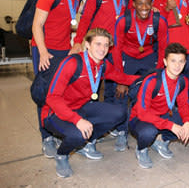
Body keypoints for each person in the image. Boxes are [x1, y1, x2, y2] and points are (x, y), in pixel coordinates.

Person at [41, 28, 139, 178]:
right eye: (98, 44)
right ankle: (62, 155)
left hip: (81, 107)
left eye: (106, 45)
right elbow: (52, 98)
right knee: (78, 134)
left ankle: (86, 144)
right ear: (87, 44)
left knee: (120, 113)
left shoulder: (102, 65)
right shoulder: (72, 62)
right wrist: (77, 120)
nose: (102, 49)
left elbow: (122, 77)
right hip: (54, 113)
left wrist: (147, 79)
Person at [32, 0, 85, 158]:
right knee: (44, 94)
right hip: (45, 49)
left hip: (64, 50)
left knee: (60, 93)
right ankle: (46, 137)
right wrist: (43, 52)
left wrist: (76, 43)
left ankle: (56, 128)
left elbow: (71, 21)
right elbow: (37, 25)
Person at [111, 0, 168, 151]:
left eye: (147, 4)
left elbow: (163, 48)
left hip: (148, 57)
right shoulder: (123, 20)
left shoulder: (159, 20)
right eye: (140, 4)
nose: (144, 8)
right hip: (127, 58)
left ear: (152, 4)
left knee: (150, 93)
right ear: (133, 5)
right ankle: (121, 132)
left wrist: (157, 72)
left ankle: (149, 128)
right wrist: (121, 79)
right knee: (120, 94)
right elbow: (116, 49)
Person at [129, 43, 189, 168]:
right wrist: (171, 126)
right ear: (165, 62)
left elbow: (184, 106)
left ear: (185, 63)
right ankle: (141, 149)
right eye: (173, 61)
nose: (177, 65)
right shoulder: (152, 81)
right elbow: (142, 113)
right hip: (141, 119)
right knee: (149, 132)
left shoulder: (183, 81)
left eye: (181, 61)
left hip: (164, 116)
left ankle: (161, 140)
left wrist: (187, 122)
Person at [157, 0, 189, 106]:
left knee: (188, 83)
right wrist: (167, 8)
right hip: (170, 48)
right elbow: (158, 22)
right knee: (169, 82)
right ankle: (168, 110)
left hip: (188, 48)